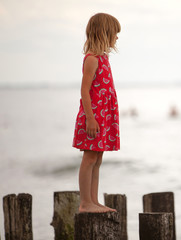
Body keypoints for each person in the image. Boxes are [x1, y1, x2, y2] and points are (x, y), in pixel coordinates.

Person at [72, 13, 121, 213]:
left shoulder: (104, 58)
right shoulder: (92, 59)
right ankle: (85, 203)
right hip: (94, 116)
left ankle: (93, 200)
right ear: (105, 33)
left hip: (103, 115)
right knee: (89, 158)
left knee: (98, 159)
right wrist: (90, 119)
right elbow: (84, 90)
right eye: (115, 33)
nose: (117, 38)